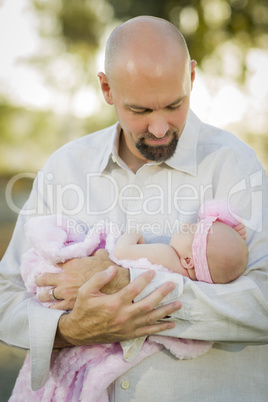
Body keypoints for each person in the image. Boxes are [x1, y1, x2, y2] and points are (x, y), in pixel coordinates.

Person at [0, 15, 267, 401]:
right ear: (107, 89)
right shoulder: (65, 167)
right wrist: (72, 329)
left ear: (191, 78)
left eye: (174, 105)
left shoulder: (234, 166)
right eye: (140, 111)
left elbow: (263, 302)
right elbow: (7, 296)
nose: (159, 128)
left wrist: (128, 283)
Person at [114, 201, 248, 284]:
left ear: (188, 261)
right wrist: (229, 235)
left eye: (189, 229)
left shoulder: (167, 255)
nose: (185, 225)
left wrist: (133, 232)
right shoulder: (187, 278)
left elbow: (121, 251)